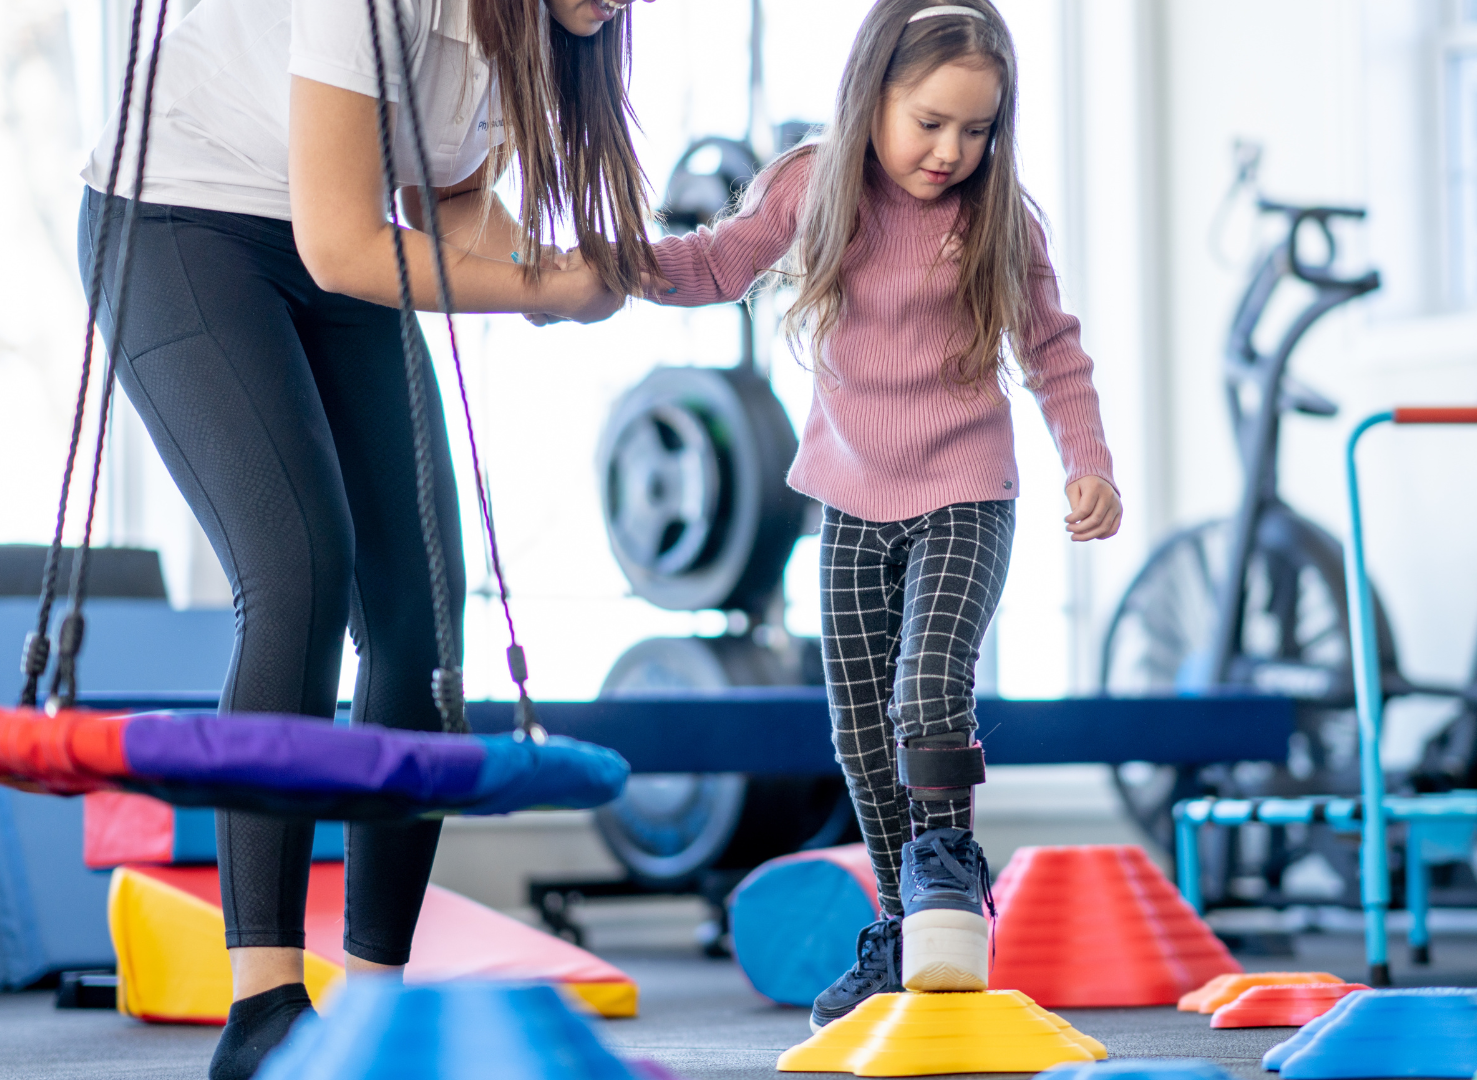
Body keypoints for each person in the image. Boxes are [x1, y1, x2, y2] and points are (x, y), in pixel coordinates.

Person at [76, 0, 656, 1076]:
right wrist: (551, 288)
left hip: (335, 244)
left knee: (423, 616)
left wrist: (571, 269)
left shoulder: (542, 32)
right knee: (297, 568)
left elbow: (452, 200)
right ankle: (262, 1009)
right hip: (180, 220)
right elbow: (343, 244)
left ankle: (379, 1009)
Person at [635, 0, 1122, 1030]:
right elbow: (717, 263)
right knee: (858, 730)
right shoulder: (813, 187)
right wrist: (612, 264)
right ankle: (910, 931)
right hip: (850, 498)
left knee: (927, 685)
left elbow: (1054, 351)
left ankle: (949, 884)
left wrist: (1090, 464)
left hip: (967, 493)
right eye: (930, 122)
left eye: (977, 129)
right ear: (873, 97)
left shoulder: (998, 219)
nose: (952, 151)